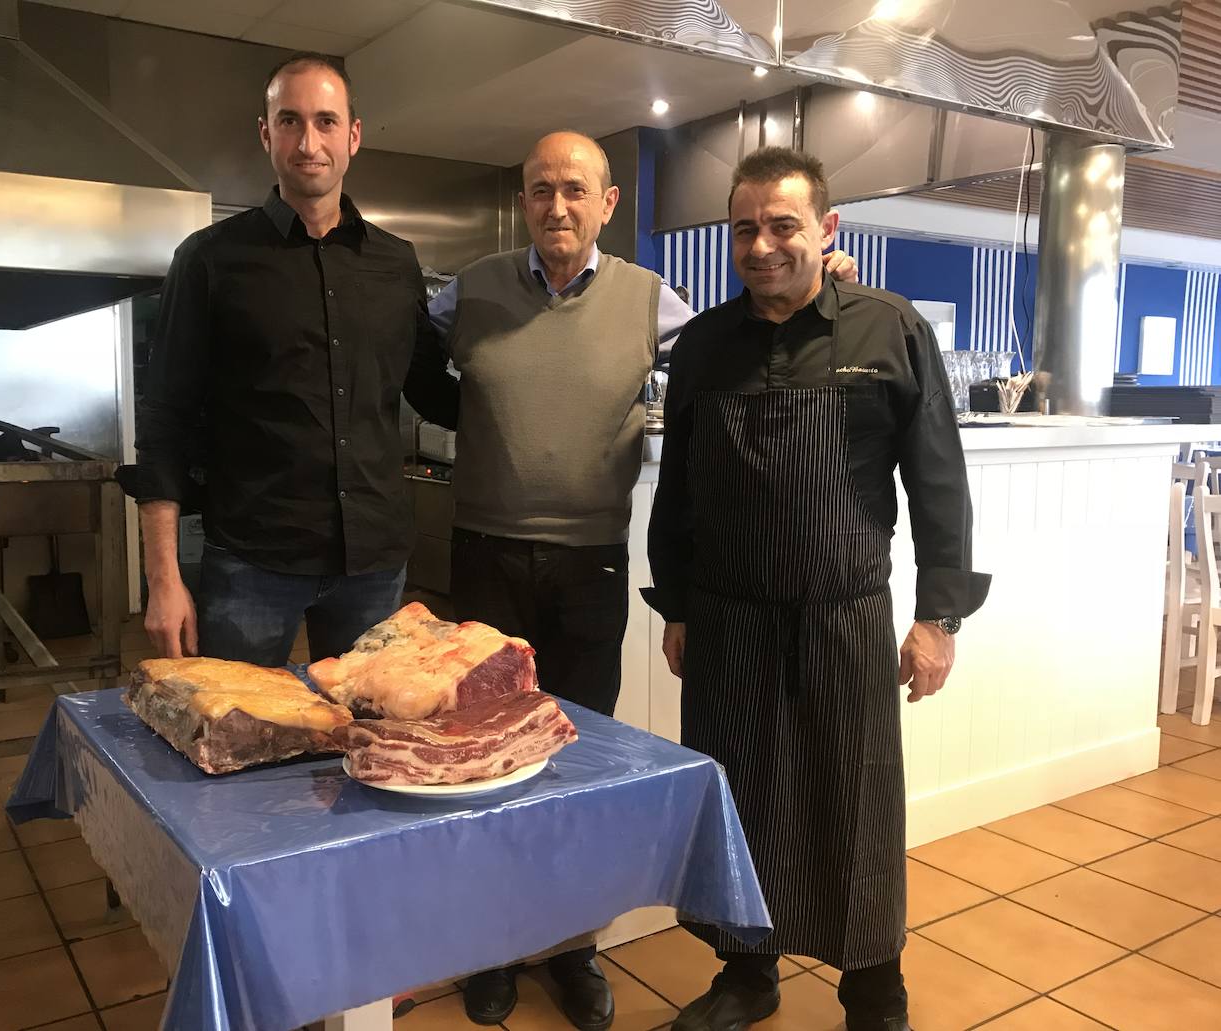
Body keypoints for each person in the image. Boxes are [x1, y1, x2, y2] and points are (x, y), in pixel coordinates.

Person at [409, 132, 859, 1031]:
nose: (557, 207)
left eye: (575, 189)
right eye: (540, 189)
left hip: (590, 564)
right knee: (482, 763)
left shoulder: (656, 302)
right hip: (485, 556)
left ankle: (571, 945)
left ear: (608, 203)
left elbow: (747, 336)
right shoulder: (471, 290)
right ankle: (491, 946)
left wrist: (829, 290)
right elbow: (407, 358)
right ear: (524, 199)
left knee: (574, 768)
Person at [644, 147, 991, 1031]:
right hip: (727, 619)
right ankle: (747, 973)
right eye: (745, 228)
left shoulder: (889, 329)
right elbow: (678, 487)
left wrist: (937, 617)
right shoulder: (707, 346)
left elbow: (940, 484)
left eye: (783, 225)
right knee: (741, 797)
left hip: (844, 617)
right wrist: (677, 603)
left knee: (856, 803)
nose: (762, 245)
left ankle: (876, 990)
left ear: (826, 229)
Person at [135, 52, 453, 665]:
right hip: (252, 564)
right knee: (239, 744)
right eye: (290, 121)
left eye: (327, 121)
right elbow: (164, 418)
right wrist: (163, 578)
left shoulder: (396, 263)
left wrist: (532, 386)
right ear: (266, 134)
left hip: (373, 567)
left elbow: (429, 390)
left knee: (371, 748)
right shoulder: (209, 260)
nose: (309, 141)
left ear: (353, 136)